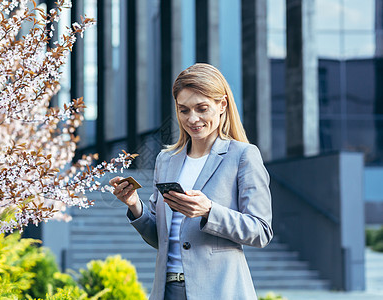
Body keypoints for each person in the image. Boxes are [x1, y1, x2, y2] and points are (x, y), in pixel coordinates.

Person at [109, 63, 273, 300]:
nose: (192, 118)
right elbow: (160, 239)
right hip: (167, 290)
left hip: (219, 291)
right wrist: (135, 205)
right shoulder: (166, 160)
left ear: (222, 105)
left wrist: (209, 211)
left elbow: (261, 231)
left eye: (202, 108)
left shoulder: (243, 156)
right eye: (183, 110)